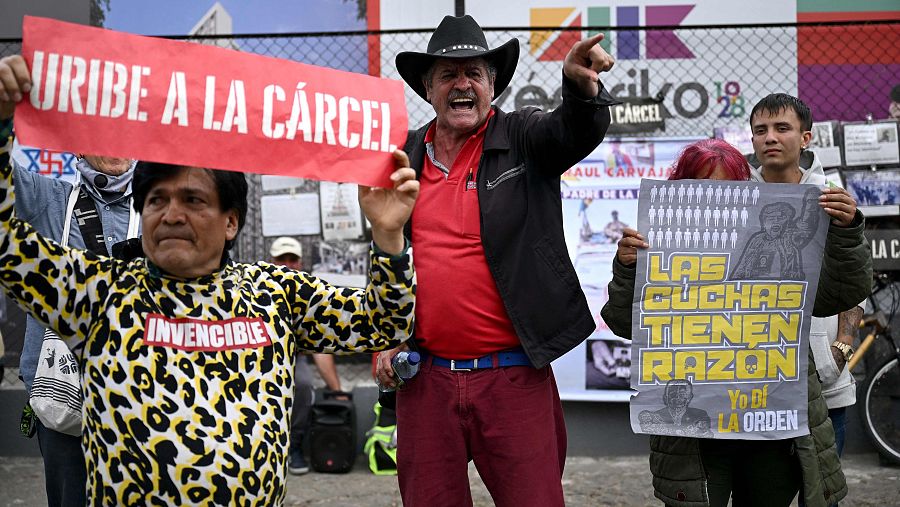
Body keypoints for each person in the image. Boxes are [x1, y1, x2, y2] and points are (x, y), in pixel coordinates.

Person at [0, 54, 418, 505]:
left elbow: (385, 322)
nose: (172, 214)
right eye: (157, 199)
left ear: (231, 221)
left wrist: (388, 234)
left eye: (193, 199)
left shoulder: (275, 294)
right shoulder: (100, 292)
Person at [374, 14, 616, 506]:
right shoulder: (403, 157)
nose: (462, 84)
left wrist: (578, 88)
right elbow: (386, 247)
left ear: (491, 85)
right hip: (424, 378)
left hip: (513, 377)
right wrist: (384, 337)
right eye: (448, 74)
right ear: (427, 87)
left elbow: (572, 131)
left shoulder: (525, 137)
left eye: (474, 73)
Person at [13, 143, 138, 505]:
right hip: (61, 395)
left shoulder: (156, 210)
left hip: (138, 392)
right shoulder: (49, 200)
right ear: (81, 146)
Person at [268, 236, 348, 476]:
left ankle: (294, 446)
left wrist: (337, 391)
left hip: (294, 359)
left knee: (303, 385)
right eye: (282, 259)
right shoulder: (256, 288)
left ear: (300, 264)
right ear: (272, 262)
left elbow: (319, 347)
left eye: (292, 260)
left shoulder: (307, 297)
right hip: (254, 359)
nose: (287, 265)